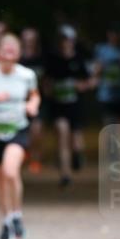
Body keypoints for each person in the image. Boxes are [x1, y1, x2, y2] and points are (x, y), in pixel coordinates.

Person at [0, 33, 40, 239]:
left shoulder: (26, 75)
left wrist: (33, 104)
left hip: (17, 129)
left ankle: (16, 215)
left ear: (18, 54)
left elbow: (34, 94)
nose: (9, 56)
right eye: (5, 51)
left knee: (10, 171)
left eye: (13, 52)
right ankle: (5, 220)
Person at [45, 26, 91, 186]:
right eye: (64, 39)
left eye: (69, 39)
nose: (67, 43)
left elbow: (89, 81)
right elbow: (47, 83)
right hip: (58, 106)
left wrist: (81, 86)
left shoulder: (79, 59)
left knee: (76, 141)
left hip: (75, 106)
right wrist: (49, 89)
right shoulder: (53, 59)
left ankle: (77, 155)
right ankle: (65, 174)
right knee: (63, 135)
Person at [19, 27, 46, 174]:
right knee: (22, 130)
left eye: (32, 39)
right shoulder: (18, 58)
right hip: (18, 101)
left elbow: (48, 79)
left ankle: (36, 159)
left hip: (38, 99)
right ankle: (24, 154)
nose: (29, 42)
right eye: (26, 39)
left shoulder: (42, 58)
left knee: (37, 130)